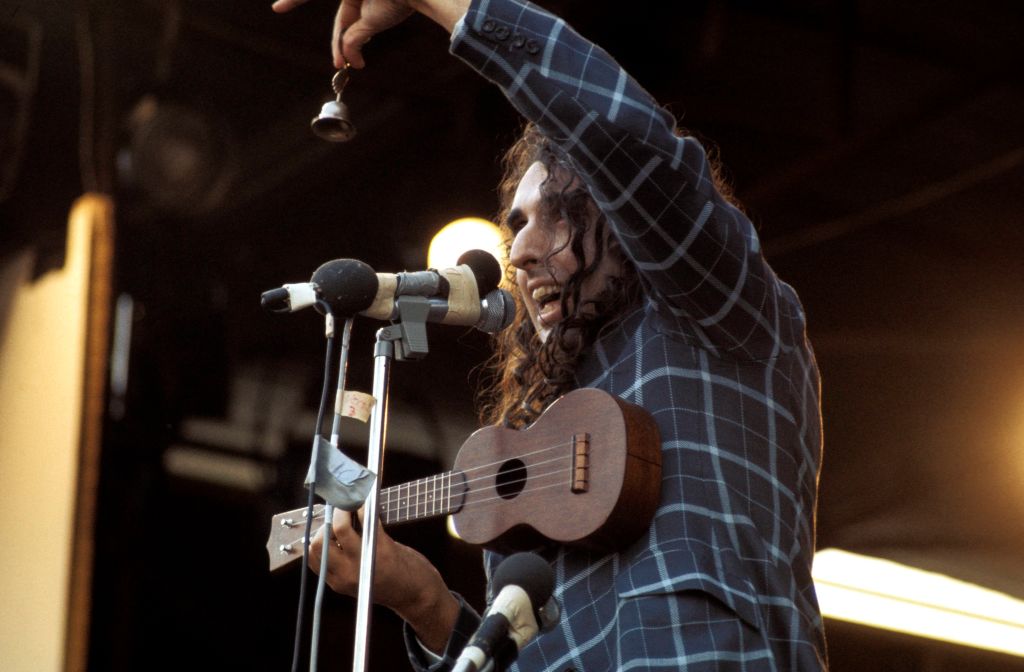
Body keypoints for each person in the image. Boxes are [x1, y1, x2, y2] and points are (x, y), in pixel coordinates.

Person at [272, 0, 827, 669]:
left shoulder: (716, 310)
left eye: (555, 214)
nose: (521, 252)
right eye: (514, 225)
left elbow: (622, 134)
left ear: (623, 219)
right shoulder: (537, 440)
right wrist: (423, 602)